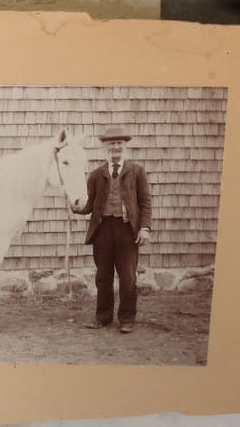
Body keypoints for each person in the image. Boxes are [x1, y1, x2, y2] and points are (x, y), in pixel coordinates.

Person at [73, 126, 151, 333]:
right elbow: (90, 204)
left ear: (124, 146)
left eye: (119, 143)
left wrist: (144, 228)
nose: (115, 147)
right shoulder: (96, 174)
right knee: (103, 275)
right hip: (103, 230)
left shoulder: (137, 171)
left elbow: (145, 202)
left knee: (128, 276)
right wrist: (77, 208)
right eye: (111, 144)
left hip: (128, 230)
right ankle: (103, 316)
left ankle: (127, 318)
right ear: (104, 147)